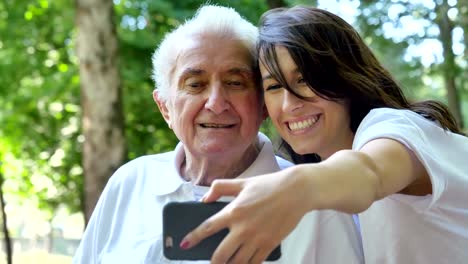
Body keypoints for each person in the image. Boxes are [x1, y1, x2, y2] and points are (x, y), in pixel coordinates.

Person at [72, 4, 364, 264]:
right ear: (165, 108)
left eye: (235, 83)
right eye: (195, 84)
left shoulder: (314, 206)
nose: (216, 103)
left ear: (263, 104)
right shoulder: (130, 182)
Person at [182, 5, 468, 264]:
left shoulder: (397, 129)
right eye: (273, 87)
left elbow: (369, 172)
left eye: (303, 79)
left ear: (345, 75)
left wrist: (295, 188)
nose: (289, 104)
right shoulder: (322, 188)